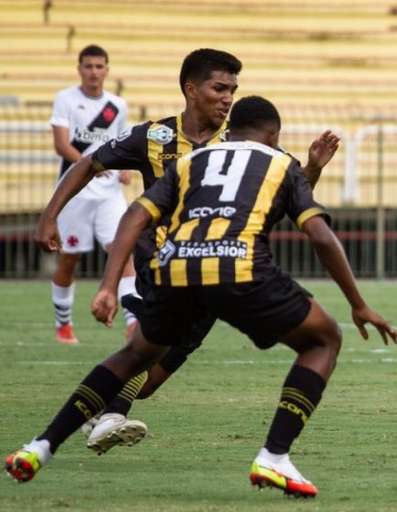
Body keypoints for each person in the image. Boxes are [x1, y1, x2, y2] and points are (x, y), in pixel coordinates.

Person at [6, 95, 397, 498]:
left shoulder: (190, 162)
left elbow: (134, 216)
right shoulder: (280, 161)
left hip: (176, 267)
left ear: (230, 129)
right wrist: (358, 303)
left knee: (136, 360)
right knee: (324, 339)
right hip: (239, 266)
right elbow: (318, 233)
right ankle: (274, 456)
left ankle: (41, 446)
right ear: (274, 135)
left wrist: (108, 284)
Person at [34, 48, 340, 456]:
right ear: (190, 89)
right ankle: (97, 420)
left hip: (214, 272)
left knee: (149, 378)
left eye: (233, 89)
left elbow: (292, 189)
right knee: (138, 352)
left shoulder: (244, 143)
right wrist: (50, 215)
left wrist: (315, 167)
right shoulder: (154, 136)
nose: (228, 98)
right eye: (219, 88)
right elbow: (89, 164)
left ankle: (101, 411)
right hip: (162, 269)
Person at [48, 44, 137, 345]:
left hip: (109, 193)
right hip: (76, 192)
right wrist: (88, 167)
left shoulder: (117, 106)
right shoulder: (66, 99)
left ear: (107, 71)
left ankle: (133, 323)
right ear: (79, 69)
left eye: (99, 67)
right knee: (69, 259)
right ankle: (64, 324)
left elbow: (120, 145)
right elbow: (62, 145)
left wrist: (123, 169)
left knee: (123, 253)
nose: (94, 72)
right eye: (88, 66)